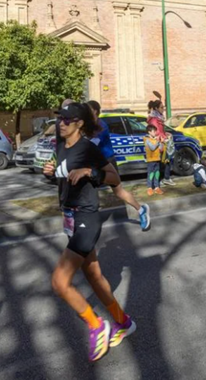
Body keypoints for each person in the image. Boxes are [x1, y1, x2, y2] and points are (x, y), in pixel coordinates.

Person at [43, 103, 134, 363]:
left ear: (80, 123)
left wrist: (90, 172)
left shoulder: (88, 148)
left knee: (59, 282)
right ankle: (123, 322)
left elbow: (114, 177)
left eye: (66, 119)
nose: (61, 123)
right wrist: (51, 173)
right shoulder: (61, 146)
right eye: (59, 118)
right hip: (70, 217)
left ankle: (96, 326)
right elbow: (65, 176)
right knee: (94, 275)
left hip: (86, 218)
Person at [86, 101, 150, 231]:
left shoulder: (102, 125)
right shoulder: (88, 125)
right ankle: (90, 220)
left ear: (95, 111)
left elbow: (93, 144)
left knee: (119, 191)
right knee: (89, 189)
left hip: (107, 163)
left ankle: (141, 210)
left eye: (88, 110)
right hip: (95, 164)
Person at [144, 125, 164, 195]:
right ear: (149, 132)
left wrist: (161, 142)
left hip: (157, 159)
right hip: (151, 160)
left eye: (156, 131)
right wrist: (157, 141)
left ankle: (157, 187)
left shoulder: (156, 140)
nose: (155, 133)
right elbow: (152, 148)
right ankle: (149, 187)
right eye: (154, 131)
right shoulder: (147, 139)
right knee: (151, 174)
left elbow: (161, 149)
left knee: (157, 173)